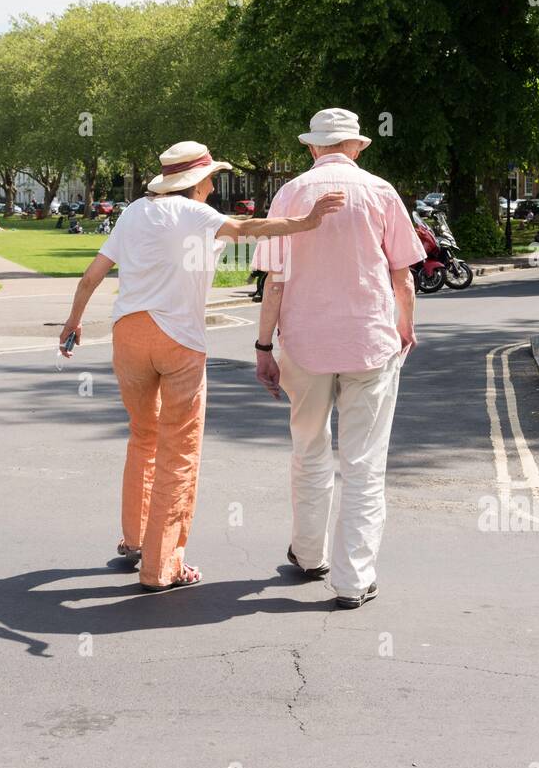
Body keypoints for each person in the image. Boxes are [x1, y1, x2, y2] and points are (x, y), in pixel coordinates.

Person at [58, 139, 344, 592]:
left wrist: (73, 323)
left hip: (128, 335)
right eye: (210, 178)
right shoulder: (197, 214)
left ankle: (133, 539)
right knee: (179, 451)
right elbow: (252, 228)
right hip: (178, 341)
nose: (213, 185)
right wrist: (308, 222)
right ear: (194, 183)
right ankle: (161, 568)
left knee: (142, 436)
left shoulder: (132, 212)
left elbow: (92, 276)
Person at [252, 108, 425, 610]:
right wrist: (405, 325)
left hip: (304, 344)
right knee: (364, 462)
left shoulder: (289, 194)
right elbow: (403, 277)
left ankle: (309, 555)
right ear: (356, 146)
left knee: (308, 448)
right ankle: (353, 579)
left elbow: (274, 281)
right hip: (369, 342)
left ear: (312, 148)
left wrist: (264, 347)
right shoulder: (381, 191)